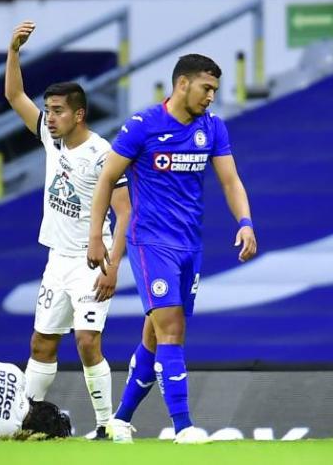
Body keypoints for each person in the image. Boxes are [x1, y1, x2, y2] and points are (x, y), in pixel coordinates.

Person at [87, 54, 257, 444]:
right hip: (150, 242)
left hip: (189, 245)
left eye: (215, 89)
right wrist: (96, 235)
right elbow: (107, 177)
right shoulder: (143, 126)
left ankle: (119, 420)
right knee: (172, 328)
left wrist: (245, 223)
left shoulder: (212, 128)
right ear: (182, 84)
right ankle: (183, 427)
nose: (212, 96)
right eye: (206, 88)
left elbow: (231, 182)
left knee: (153, 335)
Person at [4, 21, 131, 440]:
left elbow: (125, 209)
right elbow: (13, 96)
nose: (51, 117)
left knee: (87, 341)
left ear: (79, 114)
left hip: (92, 261)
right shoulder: (50, 139)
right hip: (56, 260)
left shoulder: (102, 155)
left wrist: (113, 268)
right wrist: (14, 53)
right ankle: (23, 424)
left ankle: (104, 426)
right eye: (49, 110)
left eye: (58, 111)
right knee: (42, 344)